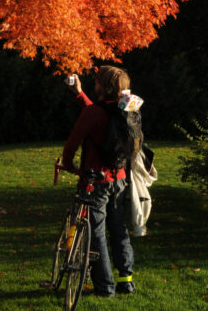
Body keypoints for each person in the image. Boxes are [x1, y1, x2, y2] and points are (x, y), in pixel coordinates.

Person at [61, 67, 135, 297]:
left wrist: (69, 165)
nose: (94, 86)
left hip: (97, 181)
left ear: (103, 87)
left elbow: (72, 143)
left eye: (97, 83)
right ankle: (126, 281)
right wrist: (79, 93)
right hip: (120, 179)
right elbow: (99, 115)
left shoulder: (95, 114)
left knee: (97, 233)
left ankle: (105, 287)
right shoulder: (125, 109)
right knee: (119, 229)